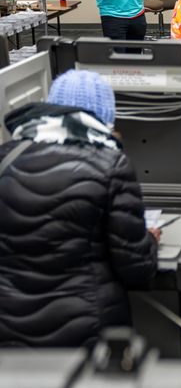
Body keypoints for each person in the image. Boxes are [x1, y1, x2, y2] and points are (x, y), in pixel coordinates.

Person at [0, 70, 159, 348]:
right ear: (104, 118)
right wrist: (149, 240)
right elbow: (137, 269)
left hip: (9, 332)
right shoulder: (111, 165)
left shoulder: (5, 160)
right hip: (87, 331)